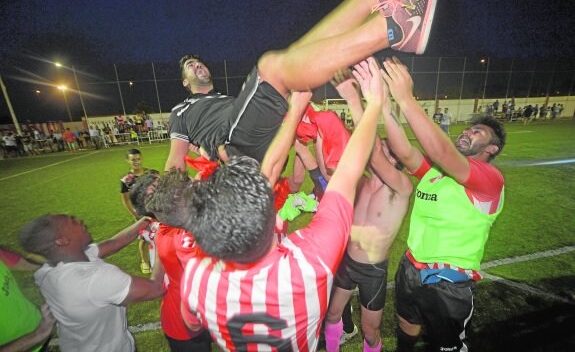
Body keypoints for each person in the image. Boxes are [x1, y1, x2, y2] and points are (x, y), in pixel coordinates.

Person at [153, 58, 386, 351]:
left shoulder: (199, 280)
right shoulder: (310, 261)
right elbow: (349, 172)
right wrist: (370, 103)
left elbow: (190, 321)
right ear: (271, 221)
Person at [165, 0, 441, 170]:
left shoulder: (226, 100)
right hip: (233, 146)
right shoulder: (181, 111)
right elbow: (175, 161)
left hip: (252, 136)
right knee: (270, 67)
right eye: (190, 66)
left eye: (198, 62)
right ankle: (393, 31)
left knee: (296, 56)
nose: (197, 65)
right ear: (185, 84)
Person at [380, 57, 506, 352]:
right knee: (405, 327)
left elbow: (441, 150)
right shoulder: (437, 174)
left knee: (445, 345)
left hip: (449, 282)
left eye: (478, 133)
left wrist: (406, 98)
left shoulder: (490, 180)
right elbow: (404, 150)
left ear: (491, 149)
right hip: (411, 267)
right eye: (469, 128)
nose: (467, 132)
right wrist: (383, 107)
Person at [323, 68, 413, 352]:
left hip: (372, 270)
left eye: (388, 148)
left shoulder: (400, 187)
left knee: (370, 331)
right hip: (347, 261)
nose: (383, 147)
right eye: (383, 143)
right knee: (332, 315)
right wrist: (316, 136)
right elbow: (328, 169)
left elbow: (371, 151)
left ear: (396, 159)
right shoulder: (361, 182)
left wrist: (353, 98)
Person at [19, 215, 165, 352]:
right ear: (62, 240)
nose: (80, 221)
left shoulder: (52, 267)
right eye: (73, 222)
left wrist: (145, 221)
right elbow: (156, 288)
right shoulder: (93, 279)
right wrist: (162, 244)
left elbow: (113, 243)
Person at [130, 174, 213, 352]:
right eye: (159, 190)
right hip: (184, 324)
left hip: (188, 314)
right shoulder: (177, 235)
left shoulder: (168, 227)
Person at [0, 246, 55, 352]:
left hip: (37, 328)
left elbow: (21, 263)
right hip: (29, 343)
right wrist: (38, 335)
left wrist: (54, 265)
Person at [120, 148, 158, 274]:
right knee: (143, 238)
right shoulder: (126, 180)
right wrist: (134, 214)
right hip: (141, 213)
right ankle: (144, 261)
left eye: (138, 159)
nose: (136, 162)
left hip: (155, 210)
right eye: (133, 160)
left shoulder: (151, 173)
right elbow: (126, 200)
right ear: (128, 161)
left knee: (159, 235)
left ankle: (159, 259)